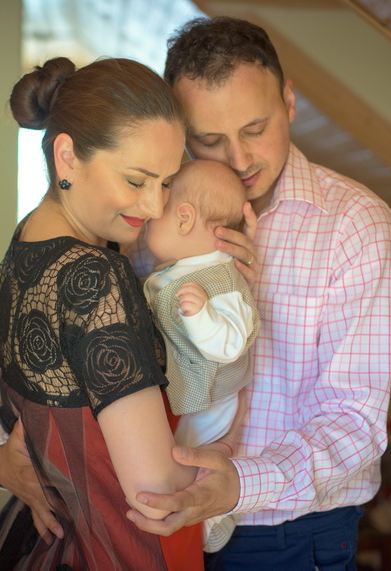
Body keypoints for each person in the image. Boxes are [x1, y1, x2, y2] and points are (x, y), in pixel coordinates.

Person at [0, 15, 391, 571]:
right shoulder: (147, 212)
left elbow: (355, 420)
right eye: (209, 140)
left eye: (255, 129)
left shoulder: (356, 226)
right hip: (146, 524)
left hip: (285, 536)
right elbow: (59, 349)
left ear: (288, 101)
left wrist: (238, 483)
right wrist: (1, 456)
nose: (238, 160)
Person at [0, 55, 205, 570]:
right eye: (136, 180)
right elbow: (156, 490)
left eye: (167, 182)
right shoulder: (93, 275)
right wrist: (234, 463)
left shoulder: (28, 238)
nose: (154, 207)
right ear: (67, 157)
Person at [142, 159, 260, 553]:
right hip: (187, 392)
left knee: (191, 459)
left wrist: (201, 317)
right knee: (176, 453)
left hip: (210, 401)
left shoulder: (222, 279)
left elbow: (231, 343)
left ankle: (212, 522)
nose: (146, 224)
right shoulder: (177, 270)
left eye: (153, 218)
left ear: (184, 218)